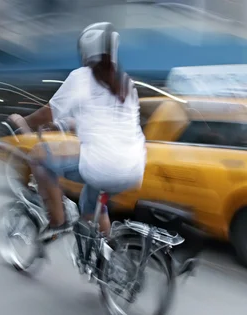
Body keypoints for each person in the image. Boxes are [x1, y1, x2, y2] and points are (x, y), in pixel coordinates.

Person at [9, 22, 146, 240]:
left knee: (37, 155)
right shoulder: (125, 83)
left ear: (87, 50)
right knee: (91, 205)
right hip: (133, 167)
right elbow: (101, 119)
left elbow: (47, 113)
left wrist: (23, 121)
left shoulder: (81, 77)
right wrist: (62, 125)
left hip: (102, 166)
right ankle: (108, 256)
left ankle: (57, 221)